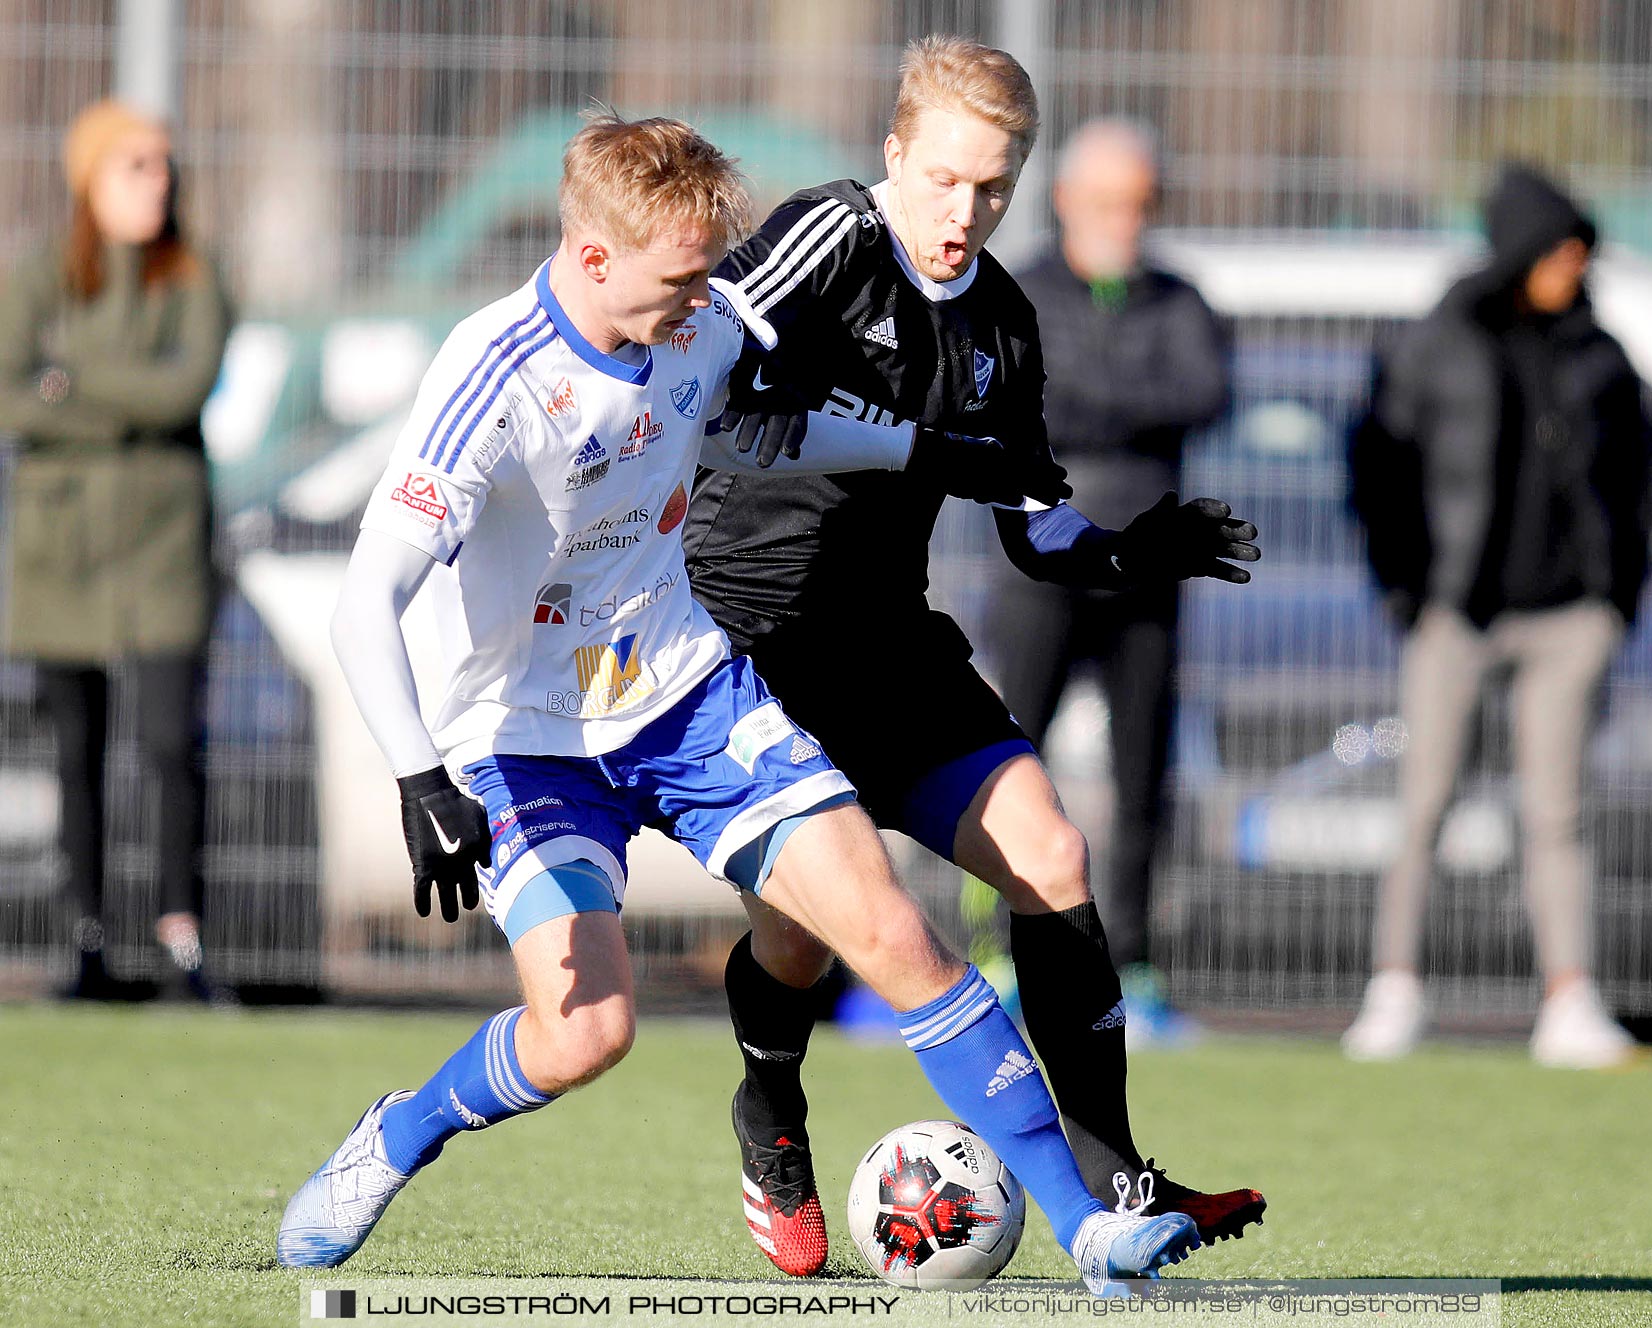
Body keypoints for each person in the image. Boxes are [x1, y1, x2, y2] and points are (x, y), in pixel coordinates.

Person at [275, 113, 1201, 1297]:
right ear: (595, 256)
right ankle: (400, 1132)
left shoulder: (700, 319)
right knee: (584, 1034)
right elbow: (369, 600)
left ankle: (1086, 1228)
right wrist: (418, 773)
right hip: (526, 738)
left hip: (686, 692)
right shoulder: (495, 370)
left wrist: (937, 455)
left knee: (892, 928)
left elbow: (769, 424)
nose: (706, 299)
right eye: (682, 277)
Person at [684, 37, 1264, 1277]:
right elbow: (703, 365)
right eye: (944, 178)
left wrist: (1126, 547)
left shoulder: (1002, 317)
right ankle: (768, 1109)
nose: (964, 212)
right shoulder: (828, 237)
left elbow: (1032, 521)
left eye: (993, 187)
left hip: (888, 642)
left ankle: (1118, 1175)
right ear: (894, 153)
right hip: (750, 643)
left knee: (1053, 851)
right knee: (805, 938)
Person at [1344, 162, 1652, 1069]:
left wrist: (1615, 602)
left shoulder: (1599, 349)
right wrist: (1406, 586)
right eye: (1560, 246)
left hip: (1569, 622)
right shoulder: (1441, 339)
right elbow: (1379, 466)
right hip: (1459, 612)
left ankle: (1570, 1000)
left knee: (1558, 811)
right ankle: (1394, 989)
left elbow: (1637, 482)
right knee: (1425, 803)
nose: (1574, 263)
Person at [993, 118, 1233, 1044]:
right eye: (1107, 203)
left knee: (1145, 779)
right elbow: (1030, 397)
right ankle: (1000, 957)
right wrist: (1111, 409)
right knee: (1004, 766)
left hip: (1145, 576)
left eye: (1140, 205)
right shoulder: (1024, 292)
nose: (1125, 222)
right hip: (1041, 564)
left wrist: (1090, 406)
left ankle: (1131, 962)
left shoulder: (1180, 300)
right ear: (1066, 201)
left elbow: (1203, 393)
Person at [0, 100, 231, 1001]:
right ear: (88, 178)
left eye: (163, 164)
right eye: (134, 165)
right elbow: (9, 394)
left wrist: (72, 382)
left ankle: (183, 941)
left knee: (173, 746)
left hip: (166, 548)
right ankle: (85, 942)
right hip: (62, 551)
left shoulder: (195, 277)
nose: (156, 181)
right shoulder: (38, 277)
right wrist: (98, 401)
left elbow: (182, 391)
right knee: (77, 751)